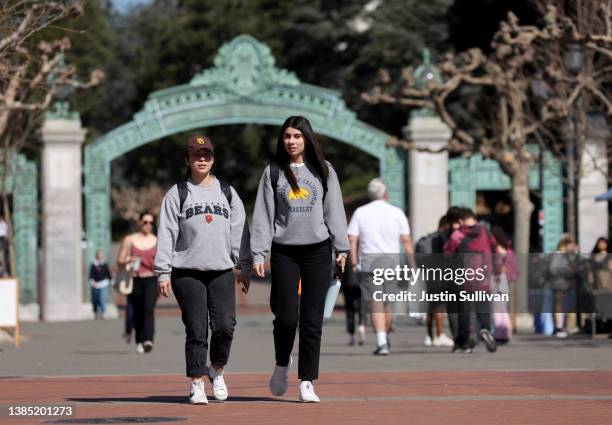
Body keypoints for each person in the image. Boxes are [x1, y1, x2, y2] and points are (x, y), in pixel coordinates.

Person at [251, 116, 348, 403]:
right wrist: (258, 252)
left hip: (318, 250)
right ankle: (282, 364)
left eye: (297, 136)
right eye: (287, 136)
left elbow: (335, 211)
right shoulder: (273, 172)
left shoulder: (324, 170)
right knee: (286, 316)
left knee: (312, 319)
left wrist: (342, 248)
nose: (291, 141)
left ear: (307, 138)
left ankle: (307, 380)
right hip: (285, 251)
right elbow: (263, 216)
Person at [154, 135, 251, 405]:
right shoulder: (178, 193)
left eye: (206, 154)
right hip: (187, 271)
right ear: (187, 159)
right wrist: (163, 271)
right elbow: (167, 233)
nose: (202, 159)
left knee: (225, 326)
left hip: (220, 270)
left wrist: (243, 265)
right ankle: (196, 382)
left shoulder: (227, 192)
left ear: (213, 159)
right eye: (196, 155)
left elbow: (240, 231)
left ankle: (216, 370)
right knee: (196, 329)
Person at [348, 178, 414, 356]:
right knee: (387, 303)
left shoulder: (360, 212)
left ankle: (382, 341)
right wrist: (413, 266)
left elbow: (352, 239)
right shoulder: (397, 212)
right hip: (391, 262)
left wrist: (354, 262)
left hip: (369, 262)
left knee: (375, 302)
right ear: (385, 194)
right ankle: (385, 335)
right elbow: (406, 241)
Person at [444, 207, 499, 353]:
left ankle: (467, 339)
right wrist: (497, 270)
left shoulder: (458, 234)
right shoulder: (485, 232)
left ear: (461, 220)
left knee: (465, 310)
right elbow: (495, 250)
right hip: (484, 276)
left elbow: (448, 252)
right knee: (483, 307)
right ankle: (486, 329)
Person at [117, 211, 157, 354]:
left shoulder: (156, 240)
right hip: (134, 279)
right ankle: (139, 339)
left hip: (151, 278)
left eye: (151, 223)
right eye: (145, 222)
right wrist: (129, 260)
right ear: (140, 222)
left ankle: (148, 340)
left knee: (148, 309)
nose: (148, 225)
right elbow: (119, 260)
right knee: (137, 312)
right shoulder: (130, 240)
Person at [416, 215, 454, 347]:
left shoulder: (427, 238)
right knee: (440, 306)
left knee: (431, 307)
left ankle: (429, 335)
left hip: (428, 275)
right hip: (440, 274)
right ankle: (440, 334)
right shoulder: (442, 237)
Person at [342, 254, 366, 346]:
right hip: (362, 281)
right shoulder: (364, 250)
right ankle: (361, 326)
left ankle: (351, 336)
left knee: (349, 308)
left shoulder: (345, 252)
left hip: (348, 281)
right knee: (362, 306)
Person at [89, 250, 112, 320]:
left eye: (101, 254)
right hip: (95, 284)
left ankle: (103, 312)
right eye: (99, 254)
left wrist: (111, 280)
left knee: (102, 298)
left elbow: (108, 273)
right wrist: (92, 281)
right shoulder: (93, 264)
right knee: (95, 299)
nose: (100, 256)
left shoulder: (105, 264)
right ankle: (96, 312)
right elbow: (91, 274)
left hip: (103, 283)